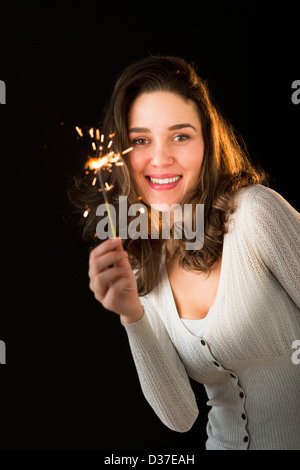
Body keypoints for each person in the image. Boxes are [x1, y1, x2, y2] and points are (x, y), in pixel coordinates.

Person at [70, 56, 300, 450]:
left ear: (207, 142)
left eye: (180, 135)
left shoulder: (255, 215)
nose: (160, 159)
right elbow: (180, 418)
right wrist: (132, 315)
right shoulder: (142, 258)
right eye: (140, 140)